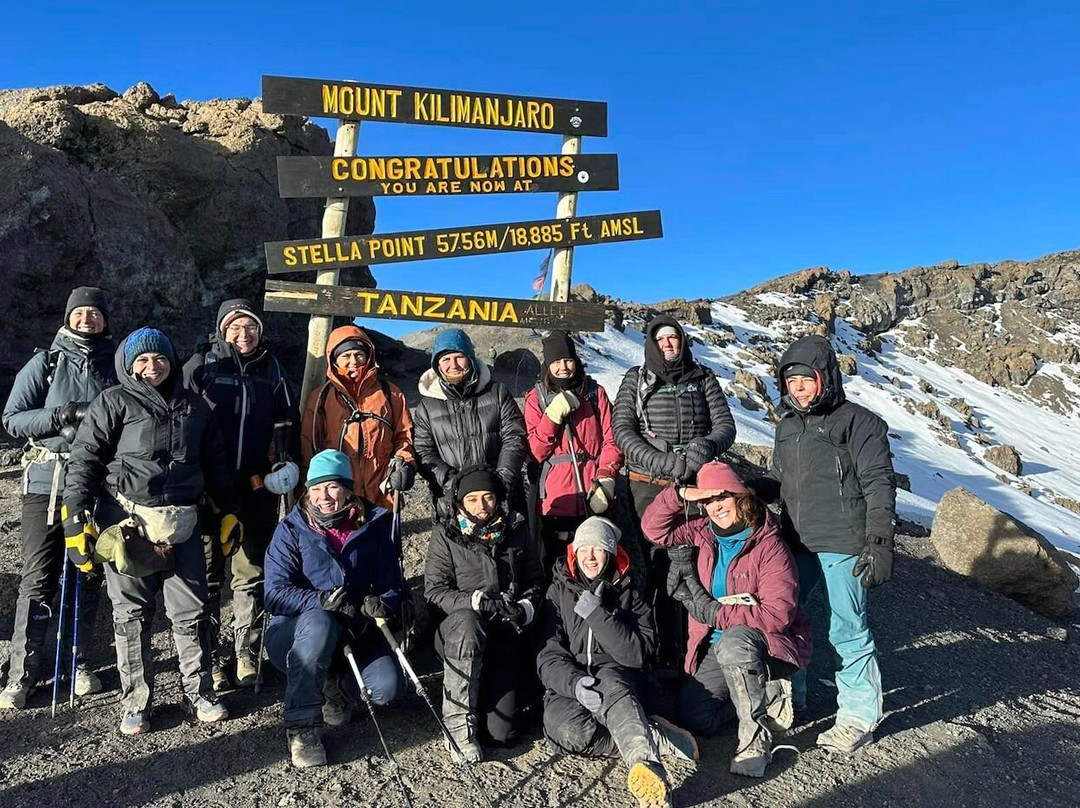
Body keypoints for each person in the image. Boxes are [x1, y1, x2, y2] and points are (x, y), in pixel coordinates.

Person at [62, 327, 241, 735]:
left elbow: (214, 463)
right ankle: (136, 701)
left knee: (191, 612)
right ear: (128, 365)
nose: (152, 366)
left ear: (170, 361)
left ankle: (199, 693)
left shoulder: (195, 407)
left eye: (159, 358)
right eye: (141, 360)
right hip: (126, 525)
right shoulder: (112, 402)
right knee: (131, 616)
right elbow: (85, 461)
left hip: (183, 523)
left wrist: (230, 510)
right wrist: (75, 519)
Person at [748, 335, 896, 754]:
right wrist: (756, 487)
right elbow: (787, 482)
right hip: (796, 541)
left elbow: (878, 484)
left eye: (805, 379)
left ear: (824, 378)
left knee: (847, 629)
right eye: (790, 381)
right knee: (784, 619)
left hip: (845, 542)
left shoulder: (858, 422)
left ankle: (858, 716)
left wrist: (880, 541)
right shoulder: (787, 427)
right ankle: (791, 698)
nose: (797, 388)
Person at [641, 461, 811, 778]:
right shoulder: (704, 533)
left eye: (722, 497)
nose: (716, 507)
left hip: (766, 644)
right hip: (717, 643)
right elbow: (654, 530)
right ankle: (769, 694)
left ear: (740, 496)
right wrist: (680, 495)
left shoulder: (770, 544)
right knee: (695, 718)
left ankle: (754, 743)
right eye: (708, 501)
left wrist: (719, 613)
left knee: (736, 640)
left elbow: (779, 614)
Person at [1, 287, 116, 709]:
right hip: (46, 482)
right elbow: (12, 419)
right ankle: (22, 673)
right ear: (69, 318)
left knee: (86, 571)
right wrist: (60, 415)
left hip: (95, 484)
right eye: (81, 313)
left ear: (106, 320)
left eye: (95, 314)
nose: (88, 320)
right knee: (37, 577)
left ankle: (78, 661)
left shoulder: (116, 363)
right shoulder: (44, 362)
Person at [538, 516, 698, 808]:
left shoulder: (631, 593)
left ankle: (646, 765)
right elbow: (548, 654)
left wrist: (597, 615)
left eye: (598, 549)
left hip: (618, 679)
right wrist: (574, 685)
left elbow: (638, 655)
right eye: (583, 548)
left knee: (612, 684)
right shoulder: (557, 592)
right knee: (566, 731)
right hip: (571, 680)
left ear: (611, 552)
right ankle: (651, 736)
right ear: (574, 551)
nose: (590, 556)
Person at [184, 298, 300, 690]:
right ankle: (212, 658)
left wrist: (285, 462)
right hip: (211, 487)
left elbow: (288, 419)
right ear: (221, 330)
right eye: (235, 326)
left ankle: (245, 653)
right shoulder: (202, 368)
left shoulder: (272, 368)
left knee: (251, 570)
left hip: (257, 485)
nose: (244, 333)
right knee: (209, 573)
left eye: (250, 326)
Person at [264, 449, 405, 768]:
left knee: (387, 689)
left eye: (331, 487)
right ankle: (303, 729)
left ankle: (336, 686)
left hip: (356, 629)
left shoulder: (373, 525)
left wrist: (379, 603)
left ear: (347, 489)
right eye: (315, 488)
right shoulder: (290, 530)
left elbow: (393, 586)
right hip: (297, 633)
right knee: (319, 623)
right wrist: (319, 601)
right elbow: (274, 594)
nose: (322, 496)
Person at [612, 315, 736, 669]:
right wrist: (662, 462)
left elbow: (726, 426)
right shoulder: (636, 380)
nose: (668, 344)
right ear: (652, 343)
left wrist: (702, 449)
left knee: (694, 566)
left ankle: (686, 654)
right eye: (662, 339)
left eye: (674, 338)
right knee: (647, 570)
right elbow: (623, 431)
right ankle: (646, 655)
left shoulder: (704, 378)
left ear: (683, 341)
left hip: (696, 487)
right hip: (646, 487)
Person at [424, 466, 543, 763]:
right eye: (473, 499)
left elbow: (535, 580)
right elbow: (435, 591)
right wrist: (474, 601)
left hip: (504, 633)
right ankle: (457, 725)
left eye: (488, 497)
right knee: (467, 621)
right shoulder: (446, 536)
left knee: (502, 734)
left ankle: (493, 692)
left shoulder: (515, 530)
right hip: (457, 632)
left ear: (498, 498)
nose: (481, 507)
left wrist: (526, 607)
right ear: (460, 502)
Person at [523, 330, 623, 573]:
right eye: (556, 362)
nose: (564, 367)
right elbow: (535, 451)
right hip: (556, 499)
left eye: (568, 360)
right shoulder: (537, 398)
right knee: (556, 564)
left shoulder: (594, 393)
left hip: (594, 493)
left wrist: (606, 478)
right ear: (547, 364)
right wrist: (552, 416)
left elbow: (612, 439)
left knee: (596, 563)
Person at [413, 328, 527, 515]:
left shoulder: (498, 393)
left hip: (500, 496)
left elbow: (515, 437)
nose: (453, 365)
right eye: (445, 359)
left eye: (459, 357)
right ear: (437, 365)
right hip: (452, 500)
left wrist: (499, 483)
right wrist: (455, 485)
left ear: (470, 358)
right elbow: (423, 451)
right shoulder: (427, 407)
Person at [300, 325, 415, 510]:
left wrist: (405, 464)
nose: (353, 361)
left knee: (382, 538)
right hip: (337, 494)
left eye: (359, 354)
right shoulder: (321, 397)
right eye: (345, 355)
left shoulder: (390, 393)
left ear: (368, 356)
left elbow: (404, 435)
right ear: (334, 360)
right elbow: (309, 444)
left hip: (383, 492)